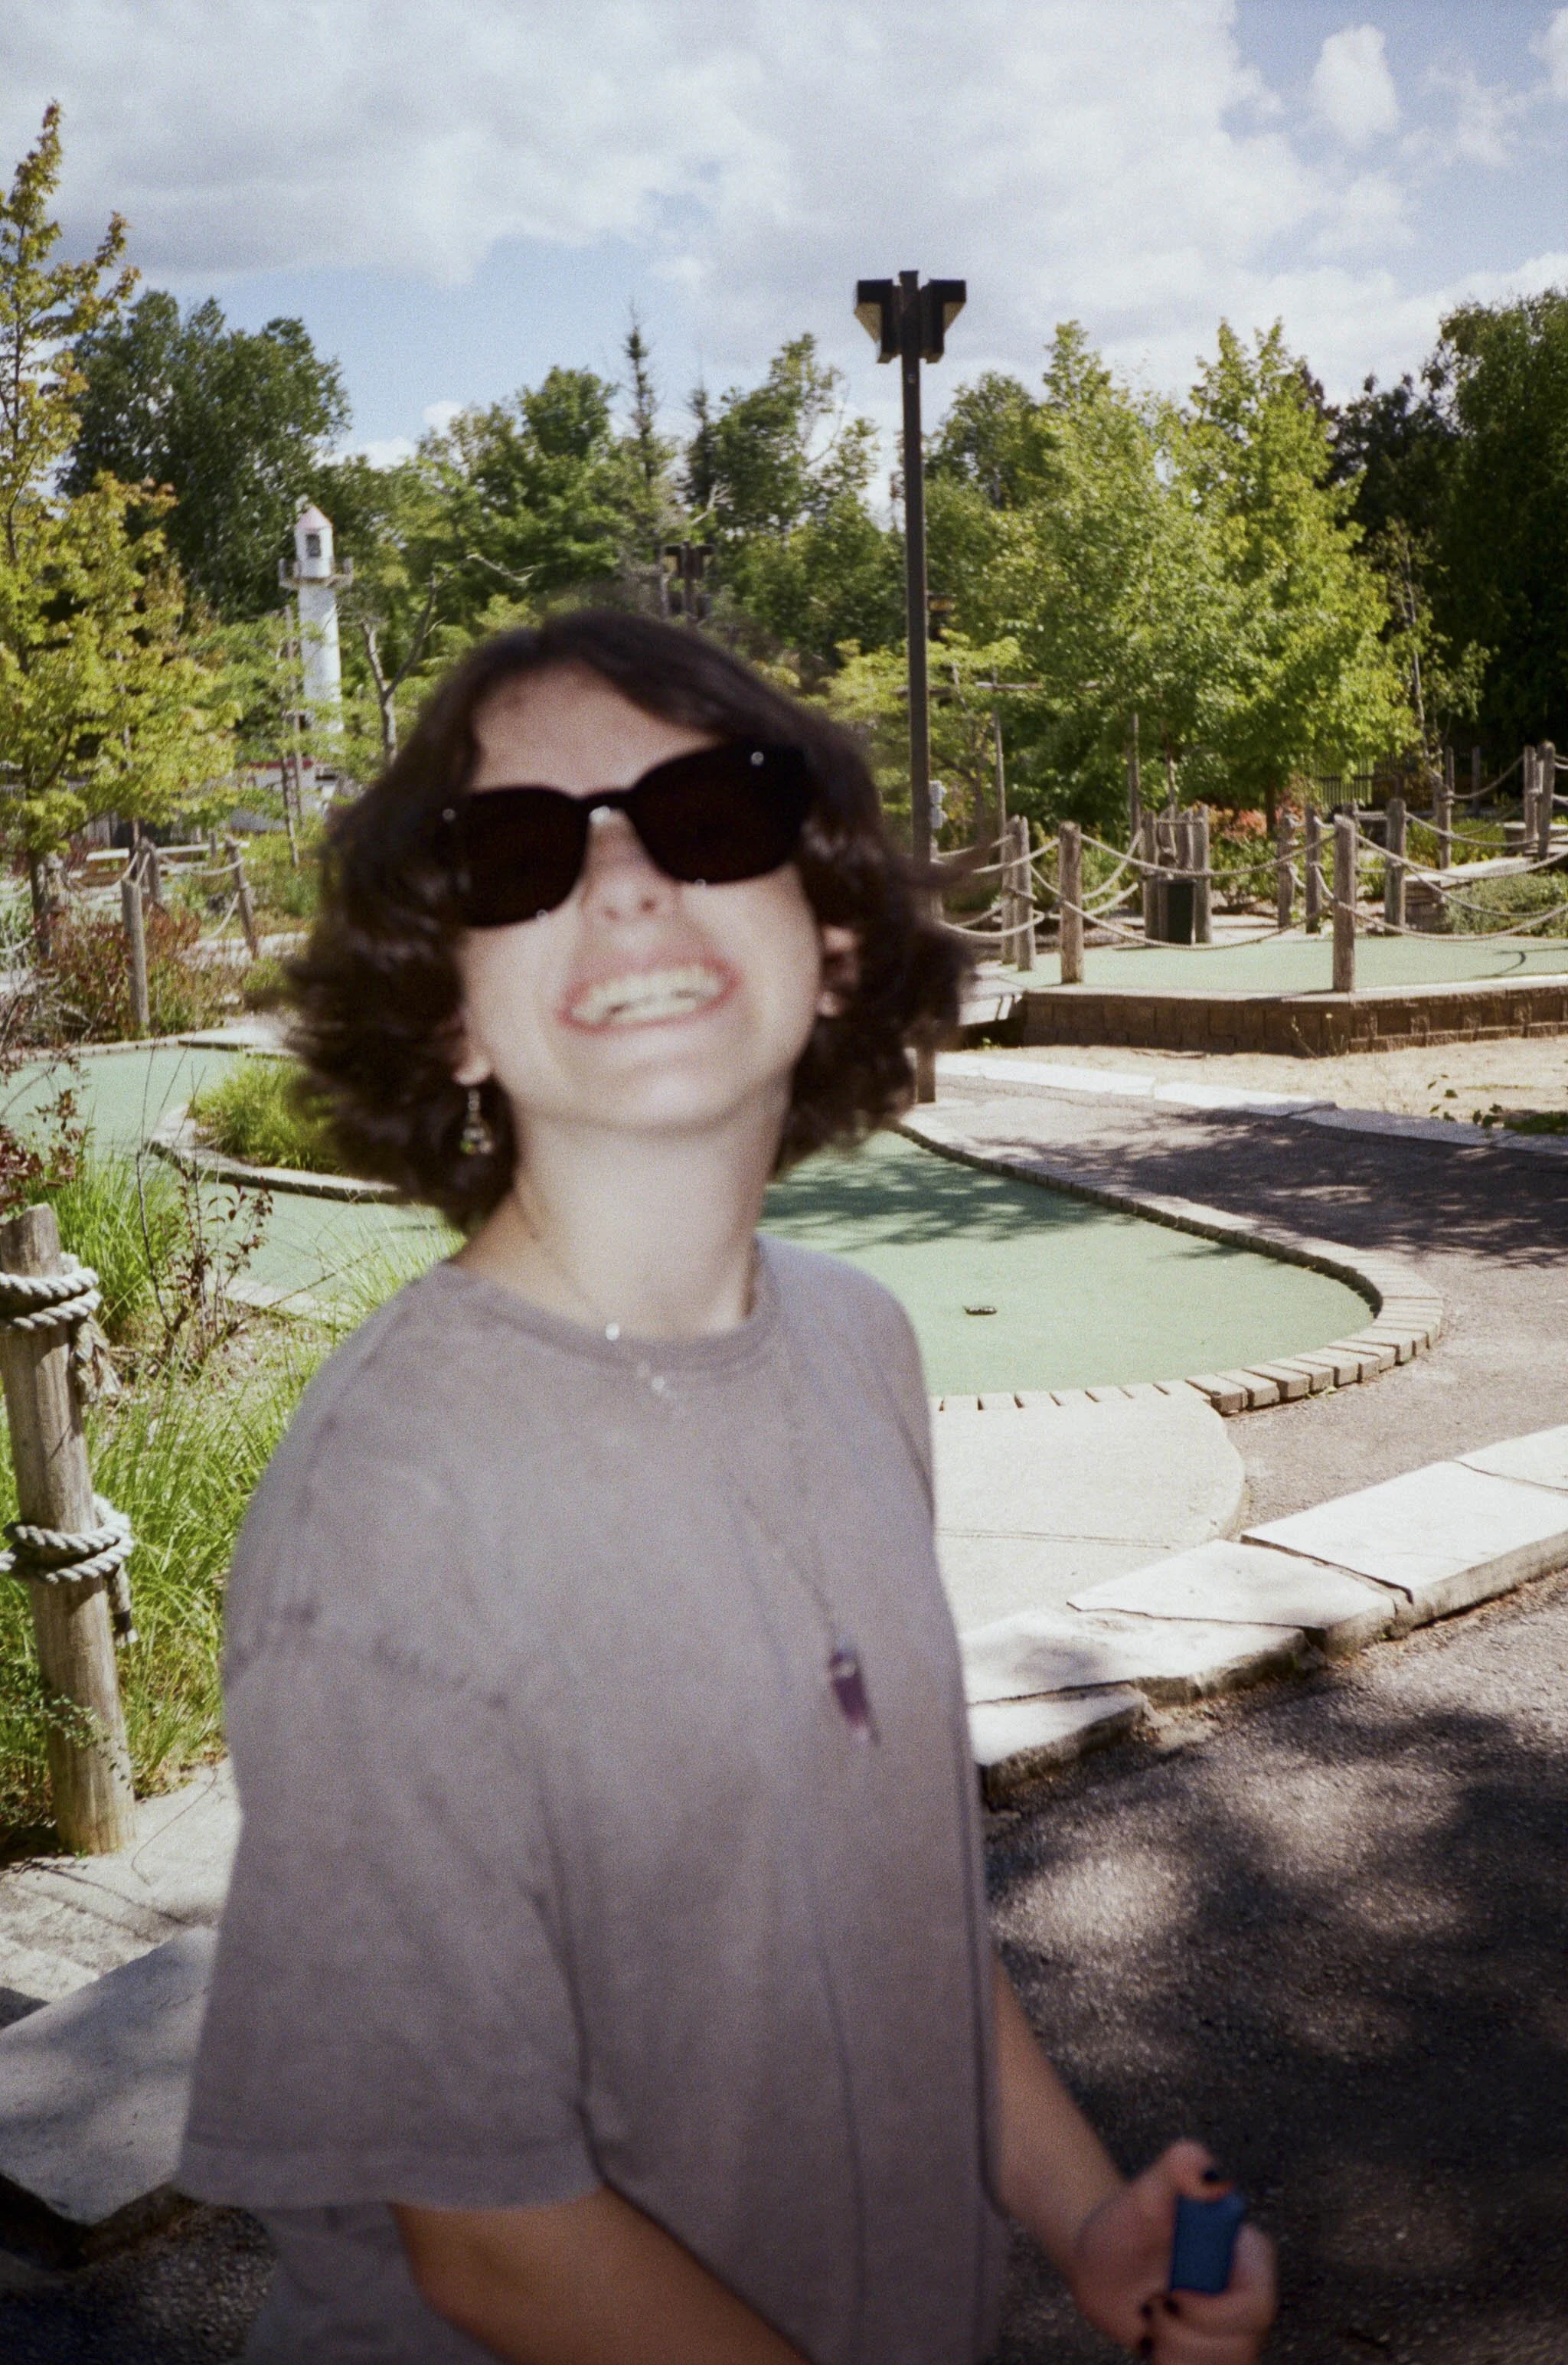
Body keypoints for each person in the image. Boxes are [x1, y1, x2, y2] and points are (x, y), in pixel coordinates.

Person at [179, 611, 1276, 2363]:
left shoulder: (859, 1344)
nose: (619, 882)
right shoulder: (390, 1509)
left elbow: (897, 1895)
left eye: (706, 817)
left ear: (830, 942)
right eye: (518, 852)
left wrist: (1081, 2210)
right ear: (448, 1012)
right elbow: (488, 2234)